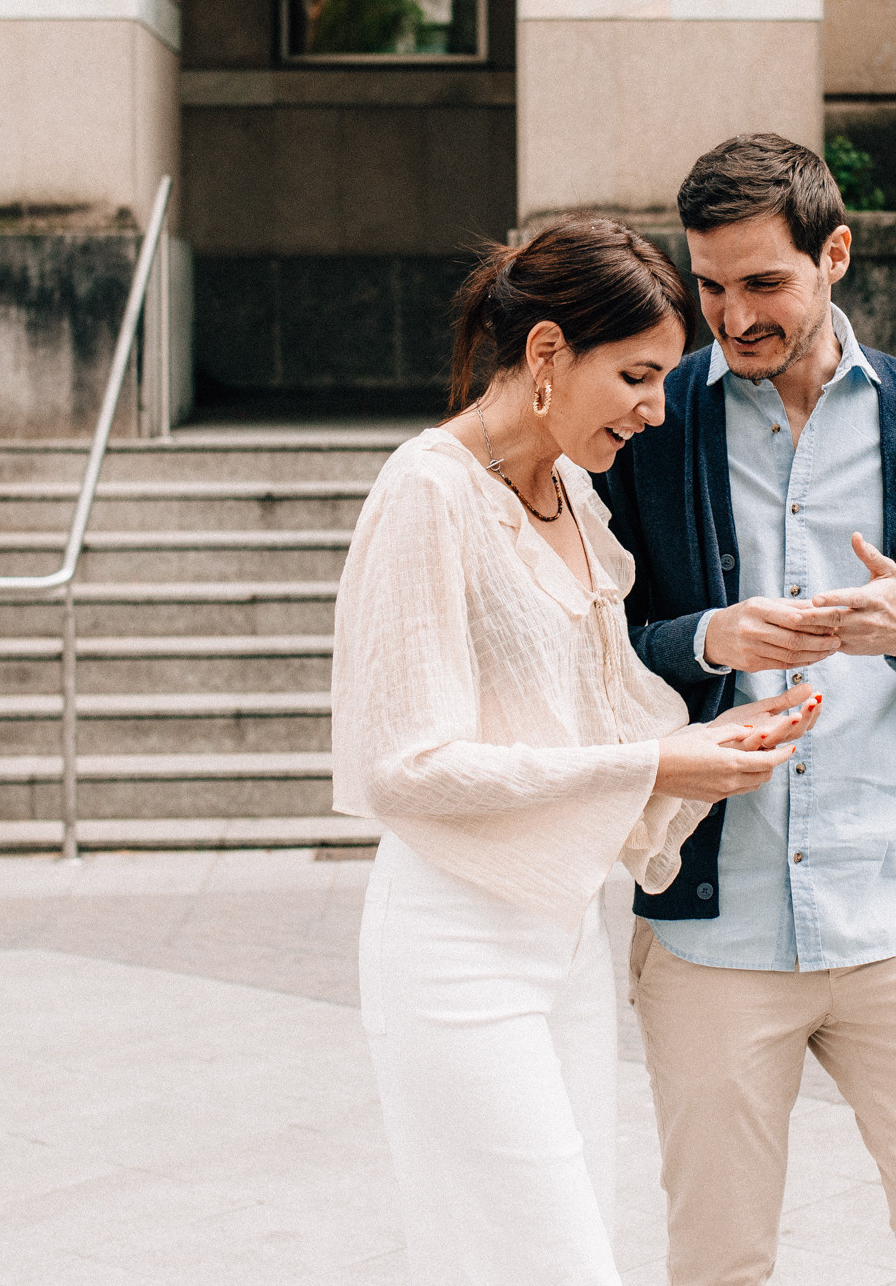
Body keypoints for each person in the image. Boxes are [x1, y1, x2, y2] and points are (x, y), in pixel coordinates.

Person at [331, 215, 823, 1286]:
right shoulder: (427, 490)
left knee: (554, 1247)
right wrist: (657, 766)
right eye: (638, 375)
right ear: (546, 353)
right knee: (548, 1259)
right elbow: (403, 765)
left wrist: (710, 739)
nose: (656, 410)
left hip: (562, 940)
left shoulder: (573, 500)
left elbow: (603, 722)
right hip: (453, 943)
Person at [595, 134, 896, 1286]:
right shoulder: (653, 426)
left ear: (832, 255)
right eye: (708, 285)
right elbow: (584, 652)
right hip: (711, 926)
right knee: (718, 1264)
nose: (730, 317)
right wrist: (705, 638)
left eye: (761, 284)